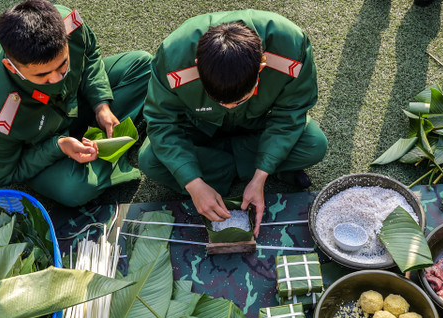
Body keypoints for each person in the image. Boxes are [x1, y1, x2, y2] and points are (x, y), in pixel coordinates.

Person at [139, 11, 328, 236]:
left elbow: (290, 114)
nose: (229, 107)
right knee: (149, 160)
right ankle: (267, 167)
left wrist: (261, 175)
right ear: (198, 66)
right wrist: (193, 184)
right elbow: (161, 122)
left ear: (261, 67)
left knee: (314, 144)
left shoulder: (292, 45)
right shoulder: (172, 55)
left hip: (257, 124)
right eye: (218, 100)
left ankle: (222, 168)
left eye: (240, 99)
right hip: (198, 127)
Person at [0, 0, 152, 208]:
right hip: (43, 145)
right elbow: (6, 172)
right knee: (75, 189)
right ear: (10, 66)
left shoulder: (67, 22)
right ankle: (110, 144)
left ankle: (102, 148)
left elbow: (90, 55)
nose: (56, 79)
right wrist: (58, 146)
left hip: (74, 103)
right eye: (42, 76)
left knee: (142, 66)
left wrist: (101, 103)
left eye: (63, 66)